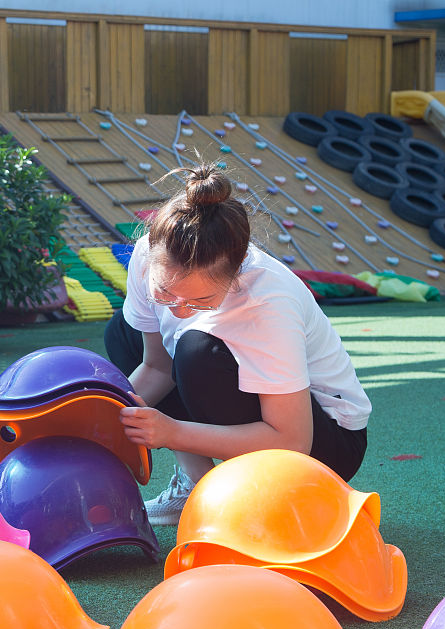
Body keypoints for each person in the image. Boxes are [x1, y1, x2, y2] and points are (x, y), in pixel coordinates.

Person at [106, 163, 371, 527]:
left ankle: (245, 500)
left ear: (234, 278)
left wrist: (171, 432)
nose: (179, 310)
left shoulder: (266, 302)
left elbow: (292, 441)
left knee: (197, 351)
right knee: (124, 332)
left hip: (325, 444)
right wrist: (106, 422)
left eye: (200, 301)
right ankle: (195, 487)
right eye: (165, 293)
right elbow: (156, 367)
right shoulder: (146, 255)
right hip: (260, 414)